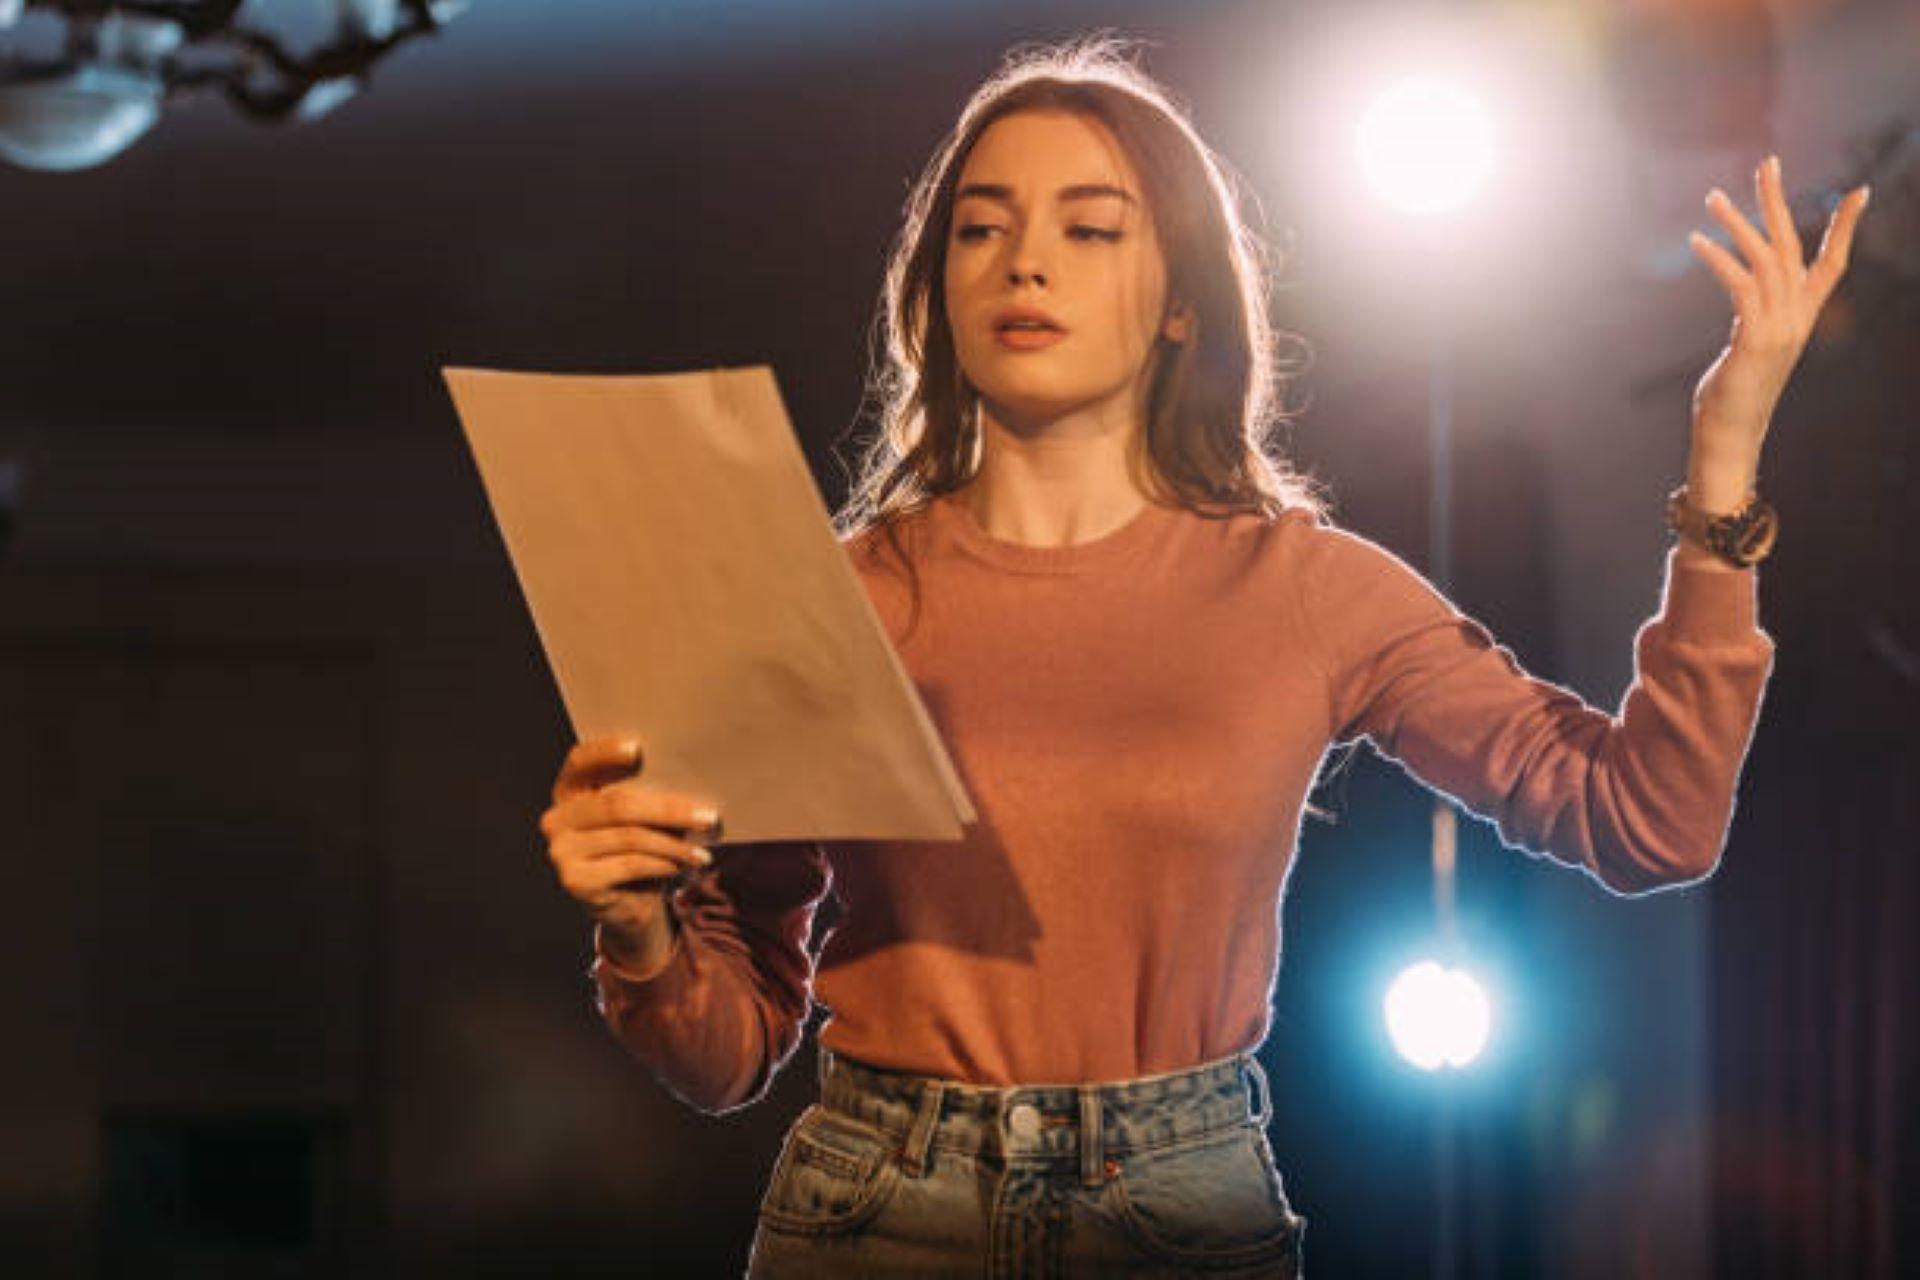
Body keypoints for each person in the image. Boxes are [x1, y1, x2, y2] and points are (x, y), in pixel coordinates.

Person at [536, 36, 1868, 1279]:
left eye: (1090, 230)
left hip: (1174, 1207)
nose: (1024, 263)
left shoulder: (1304, 589)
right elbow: (729, 1053)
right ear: (937, 293)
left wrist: (1723, 464)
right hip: (875, 1208)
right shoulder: (831, 599)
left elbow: (1653, 823)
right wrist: (643, 926)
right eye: (981, 228)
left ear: (1180, 301)